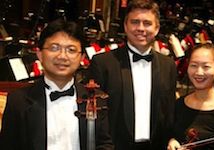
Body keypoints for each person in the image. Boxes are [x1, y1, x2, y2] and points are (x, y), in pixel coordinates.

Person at [0, 19, 113, 150]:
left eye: (71, 50)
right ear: (40, 54)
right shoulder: (18, 100)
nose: (62, 56)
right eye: (55, 48)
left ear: (82, 57)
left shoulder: (96, 99)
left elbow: (104, 144)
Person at [88, 0, 177, 150]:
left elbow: (169, 111)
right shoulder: (103, 63)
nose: (141, 28)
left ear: (156, 29)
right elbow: (96, 113)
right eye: (135, 22)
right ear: (125, 26)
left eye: (147, 23)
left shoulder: (168, 65)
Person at [167, 43, 214, 150]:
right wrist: (171, 140)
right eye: (193, 65)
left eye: (206, 66)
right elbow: (169, 133)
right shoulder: (179, 104)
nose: (199, 72)